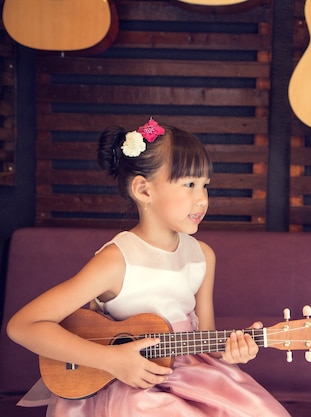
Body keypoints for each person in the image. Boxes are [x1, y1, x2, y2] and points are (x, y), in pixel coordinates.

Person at [7, 118, 290, 417]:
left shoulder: (202, 256)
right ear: (144, 190)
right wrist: (111, 360)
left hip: (190, 377)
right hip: (127, 383)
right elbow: (23, 326)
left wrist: (233, 350)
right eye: (190, 184)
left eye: (206, 185)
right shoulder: (116, 261)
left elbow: (205, 341)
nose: (202, 199)